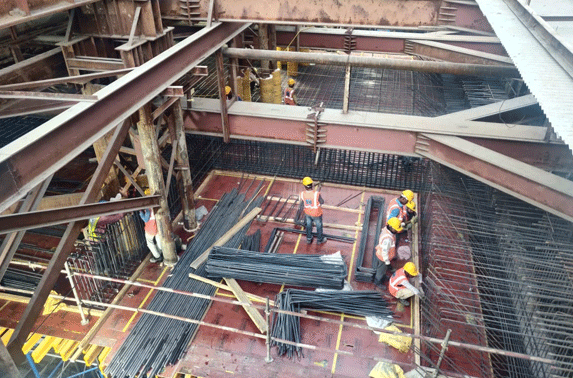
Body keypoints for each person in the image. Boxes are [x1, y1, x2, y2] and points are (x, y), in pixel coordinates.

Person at [373, 217, 402, 286]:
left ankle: (383, 275)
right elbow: (385, 252)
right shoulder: (388, 239)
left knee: (383, 269)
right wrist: (387, 262)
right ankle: (378, 281)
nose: (397, 231)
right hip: (383, 258)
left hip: (383, 255)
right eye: (396, 229)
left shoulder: (386, 230)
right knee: (381, 270)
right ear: (391, 227)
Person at [299, 176, 326, 244]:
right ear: (312, 185)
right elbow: (322, 201)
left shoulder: (302, 194)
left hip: (308, 212)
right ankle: (319, 240)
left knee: (308, 225)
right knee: (319, 225)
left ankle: (309, 238)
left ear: (304, 186)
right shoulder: (316, 194)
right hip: (316, 213)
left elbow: (302, 202)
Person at [139, 189, 163, 263]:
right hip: (157, 227)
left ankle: (157, 256)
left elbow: (146, 219)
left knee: (150, 243)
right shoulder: (156, 204)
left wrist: (141, 213)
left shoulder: (148, 208)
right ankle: (162, 252)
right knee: (159, 239)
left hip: (150, 228)